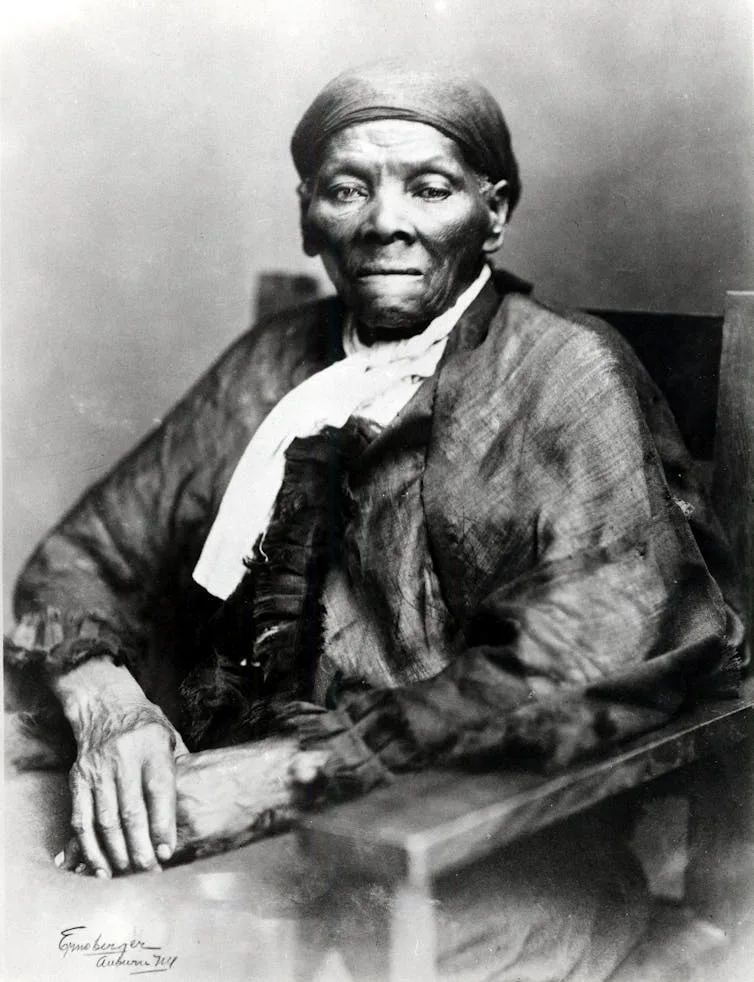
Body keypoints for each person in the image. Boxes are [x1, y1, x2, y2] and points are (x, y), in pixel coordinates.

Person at [5, 61, 745, 980]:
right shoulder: (276, 358)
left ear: (494, 209)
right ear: (308, 212)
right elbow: (91, 552)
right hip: (210, 779)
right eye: (347, 189)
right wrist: (110, 706)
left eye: (430, 188)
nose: (384, 222)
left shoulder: (565, 373)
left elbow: (589, 654)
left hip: (471, 842)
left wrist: (291, 777)